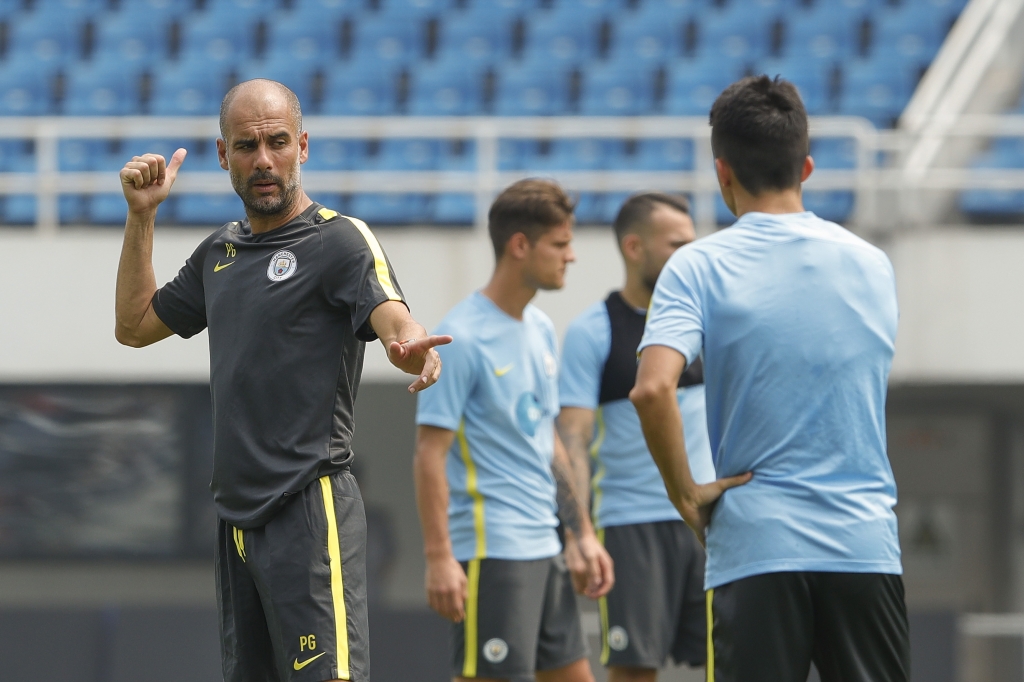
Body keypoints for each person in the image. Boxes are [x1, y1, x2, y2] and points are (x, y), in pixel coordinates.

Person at [113, 79, 450, 682]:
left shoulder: (340, 240)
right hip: (237, 521)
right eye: (246, 146)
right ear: (223, 156)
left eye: (277, 142)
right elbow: (134, 327)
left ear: (303, 147)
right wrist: (143, 217)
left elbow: (392, 315)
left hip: (309, 508)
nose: (263, 160)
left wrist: (407, 345)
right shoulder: (219, 253)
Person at [630, 75, 908, 682]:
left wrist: (686, 493)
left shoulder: (696, 265)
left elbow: (652, 390)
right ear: (806, 166)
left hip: (755, 544)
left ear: (722, 171)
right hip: (863, 542)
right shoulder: (872, 264)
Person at [413, 179, 614, 682]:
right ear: (520, 245)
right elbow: (428, 455)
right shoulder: (462, 337)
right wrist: (439, 556)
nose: (571, 257)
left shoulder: (542, 329)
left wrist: (582, 533)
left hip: (544, 549)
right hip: (493, 553)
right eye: (561, 244)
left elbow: (547, 439)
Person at [558, 193, 714, 682]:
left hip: (710, 525)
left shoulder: (709, 322)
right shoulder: (593, 331)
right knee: (633, 671)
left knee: (730, 662)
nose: (690, 254)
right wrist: (579, 533)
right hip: (630, 527)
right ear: (633, 247)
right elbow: (573, 443)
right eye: (676, 244)